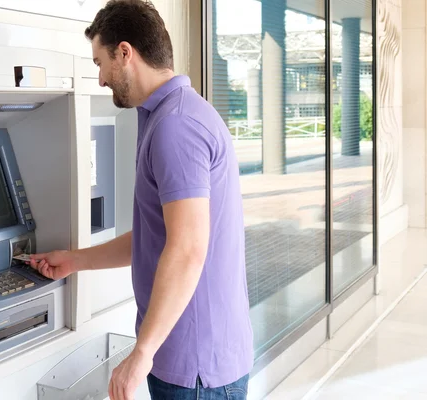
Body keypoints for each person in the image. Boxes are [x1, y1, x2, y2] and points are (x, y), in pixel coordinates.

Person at [28, 1, 254, 399]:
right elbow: (161, 237)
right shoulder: (169, 116)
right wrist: (77, 259)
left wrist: (142, 354)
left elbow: (186, 250)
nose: (99, 79)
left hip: (193, 364)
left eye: (99, 62)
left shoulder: (176, 126)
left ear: (125, 53)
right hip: (191, 353)